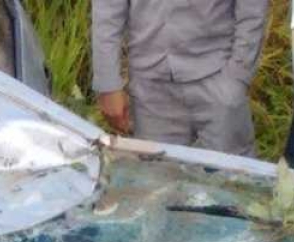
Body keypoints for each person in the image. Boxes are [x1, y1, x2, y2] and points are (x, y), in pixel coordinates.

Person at [91, 0, 271, 156]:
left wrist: (237, 78)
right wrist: (108, 84)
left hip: (217, 80)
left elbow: (252, 10)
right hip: (151, 92)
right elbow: (107, 13)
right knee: (157, 186)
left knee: (232, 184)